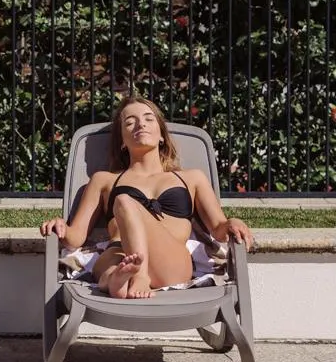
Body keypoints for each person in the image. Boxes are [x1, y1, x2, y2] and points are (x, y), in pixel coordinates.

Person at [39, 95, 253, 299]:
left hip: (170, 260)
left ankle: (137, 276)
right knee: (112, 264)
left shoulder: (191, 178)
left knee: (124, 201)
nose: (140, 124)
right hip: (119, 251)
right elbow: (76, 236)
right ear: (122, 140)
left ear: (161, 135)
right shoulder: (104, 180)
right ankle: (116, 281)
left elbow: (218, 227)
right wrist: (61, 227)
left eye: (148, 119)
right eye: (130, 122)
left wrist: (232, 222)